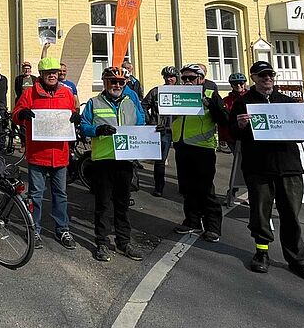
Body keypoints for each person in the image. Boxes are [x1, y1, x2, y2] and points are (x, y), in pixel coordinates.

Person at [230, 62, 304, 283]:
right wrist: (240, 126)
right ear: (253, 77)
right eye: (263, 75)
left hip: (289, 167)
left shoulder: (289, 103)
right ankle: (262, 252)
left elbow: (302, 134)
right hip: (259, 168)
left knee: (291, 214)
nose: (268, 78)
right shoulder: (244, 103)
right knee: (260, 214)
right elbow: (232, 134)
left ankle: (298, 259)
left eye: (271, 74)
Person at [12, 57, 79, 250]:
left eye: (55, 72)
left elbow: (73, 112)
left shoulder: (66, 93)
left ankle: (62, 228)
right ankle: (35, 229)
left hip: (59, 154)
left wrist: (76, 117)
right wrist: (21, 115)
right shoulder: (30, 93)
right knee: (36, 195)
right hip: (38, 153)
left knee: (61, 194)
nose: (52, 75)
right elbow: (15, 114)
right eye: (48, 72)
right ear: (40, 75)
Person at [80, 67, 145, 261]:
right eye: (112, 81)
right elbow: (83, 126)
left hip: (125, 160)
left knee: (123, 204)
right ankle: (101, 242)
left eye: (120, 82)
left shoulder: (131, 101)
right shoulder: (94, 102)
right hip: (103, 160)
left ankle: (123, 242)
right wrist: (97, 130)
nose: (116, 85)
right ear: (105, 83)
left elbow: (140, 123)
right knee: (103, 205)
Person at [171, 63, 228, 242]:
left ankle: (213, 226)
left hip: (202, 147)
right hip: (181, 145)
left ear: (201, 79)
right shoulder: (178, 94)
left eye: (191, 78)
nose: (187, 81)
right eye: (184, 78)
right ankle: (192, 221)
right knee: (187, 188)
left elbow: (225, 119)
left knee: (205, 188)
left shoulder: (211, 94)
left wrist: (211, 105)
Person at [141, 66, 178, 197]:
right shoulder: (156, 91)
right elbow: (143, 105)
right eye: (166, 76)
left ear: (176, 78)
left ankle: (184, 187)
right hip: (163, 130)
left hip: (180, 130)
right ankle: (159, 187)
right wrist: (151, 122)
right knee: (160, 160)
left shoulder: (182, 91)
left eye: (172, 77)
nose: (169, 79)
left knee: (183, 160)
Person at [219, 73, 248, 149]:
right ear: (231, 85)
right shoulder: (226, 100)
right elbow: (222, 120)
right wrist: (222, 137)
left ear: (245, 83)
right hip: (231, 136)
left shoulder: (251, 97)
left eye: (241, 83)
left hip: (248, 135)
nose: (238, 85)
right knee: (237, 159)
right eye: (235, 84)